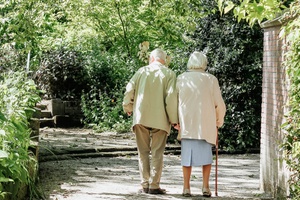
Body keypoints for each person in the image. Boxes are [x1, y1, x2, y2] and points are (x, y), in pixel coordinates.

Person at [122, 48, 178, 195]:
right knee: (157, 153)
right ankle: (154, 185)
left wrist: (128, 107)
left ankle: (144, 184)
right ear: (164, 60)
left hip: (141, 117)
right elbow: (171, 98)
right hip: (161, 119)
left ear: (151, 59)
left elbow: (129, 90)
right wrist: (174, 120)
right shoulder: (170, 74)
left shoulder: (141, 71)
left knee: (143, 152)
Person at [175, 51, 226, 197]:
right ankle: (205, 187)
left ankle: (186, 187)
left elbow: (174, 101)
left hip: (187, 123)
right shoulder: (211, 79)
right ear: (204, 63)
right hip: (206, 123)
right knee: (206, 157)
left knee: (186, 157)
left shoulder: (181, 78)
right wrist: (218, 120)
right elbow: (219, 104)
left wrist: (175, 121)